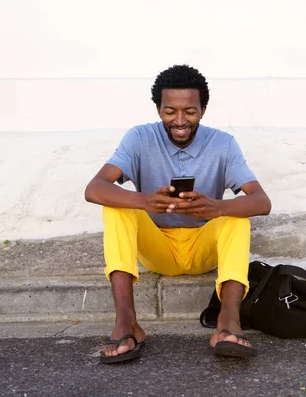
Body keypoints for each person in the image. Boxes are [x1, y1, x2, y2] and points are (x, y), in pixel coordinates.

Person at [84, 64, 271, 363]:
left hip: (202, 247)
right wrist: (144, 201)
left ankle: (227, 322)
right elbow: (94, 189)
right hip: (158, 248)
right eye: (170, 111)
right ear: (158, 109)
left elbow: (262, 201)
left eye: (190, 111)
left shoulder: (223, 143)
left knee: (235, 216)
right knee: (117, 208)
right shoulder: (139, 138)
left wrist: (217, 207)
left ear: (204, 109)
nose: (180, 120)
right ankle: (126, 322)